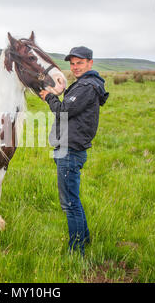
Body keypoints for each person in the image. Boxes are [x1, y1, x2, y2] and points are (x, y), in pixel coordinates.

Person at [39, 46, 109, 257]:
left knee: (70, 204)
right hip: (70, 149)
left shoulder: (87, 86)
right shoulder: (86, 85)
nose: (75, 67)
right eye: (72, 63)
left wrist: (48, 97)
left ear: (90, 63)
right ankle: (85, 239)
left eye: (80, 63)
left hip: (70, 151)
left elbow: (63, 110)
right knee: (73, 200)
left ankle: (76, 252)